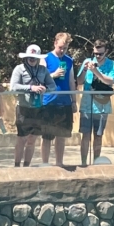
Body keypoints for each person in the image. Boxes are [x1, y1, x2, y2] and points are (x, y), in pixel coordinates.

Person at [10, 44, 56, 167]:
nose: (32, 59)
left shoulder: (43, 70)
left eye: (34, 57)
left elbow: (53, 86)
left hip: (38, 108)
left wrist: (45, 89)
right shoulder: (19, 69)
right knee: (22, 139)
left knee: (32, 140)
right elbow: (13, 87)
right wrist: (31, 88)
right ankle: (16, 167)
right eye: (30, 57)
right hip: (23, 109)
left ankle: (26, 166)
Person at [77, 39, 114, 167]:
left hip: (102, 107)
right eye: (95, 53)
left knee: (98, 136)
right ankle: (83, 163)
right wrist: (84, 70)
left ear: (106, 52)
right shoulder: (87, 62)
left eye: (100, 54)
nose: (97, 56)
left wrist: (96, 71)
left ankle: (96, 163)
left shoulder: (112, 64)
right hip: (86, 106)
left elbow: (110, 81)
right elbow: (79, 81)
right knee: (86, 135)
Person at [42, 32, 77, 168]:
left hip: (65, 103)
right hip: (49, 102)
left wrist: (74, 101)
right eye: (60, 47)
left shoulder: (69, 61)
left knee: (61, 136)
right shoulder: (45, 58)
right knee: (47, 136)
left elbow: (71, 81)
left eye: (65, 48)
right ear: (55, 43)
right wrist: (54, 75)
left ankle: (59, 163)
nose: (62, 50)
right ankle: (45, 163)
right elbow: (41, 79)